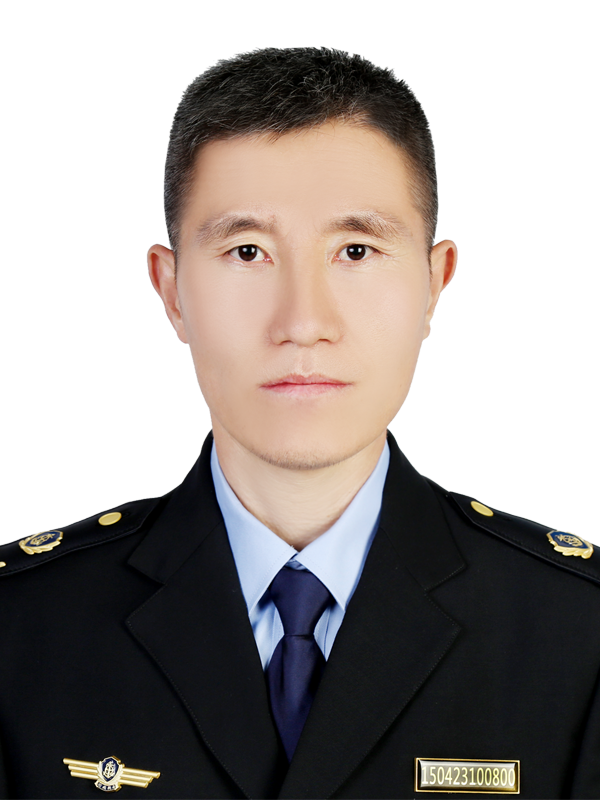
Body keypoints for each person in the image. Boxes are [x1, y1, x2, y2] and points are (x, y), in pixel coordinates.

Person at [1, 46, 598, 799]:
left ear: (434, 282)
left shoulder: (579, 632)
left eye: (357, 250)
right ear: (173, 291)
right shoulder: (20, 625)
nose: (304, 322)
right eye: (247, 250)